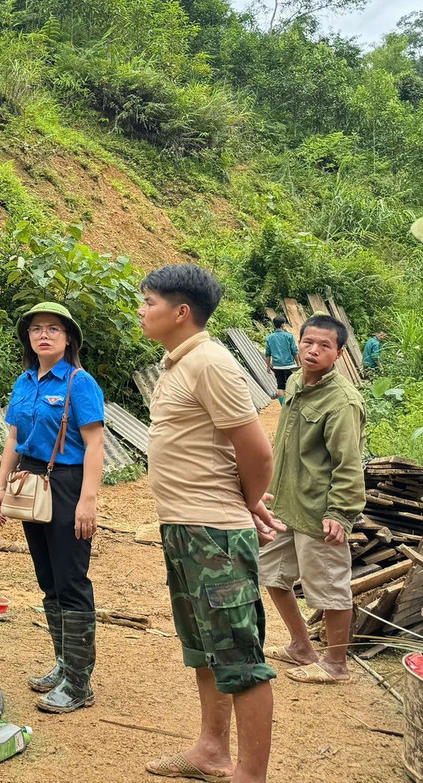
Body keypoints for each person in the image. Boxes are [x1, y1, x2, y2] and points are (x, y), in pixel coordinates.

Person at [138, 264, 283, 783]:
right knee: (204, 649)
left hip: (213, 533)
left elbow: (257, 451)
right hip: (184, 528)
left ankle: (250, 774)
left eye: (149, 302)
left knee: (239, 657)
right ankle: (211, 751)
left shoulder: (211, 362)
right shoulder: (177, 364)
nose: (141, 310)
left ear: (181, 312)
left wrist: (248, 503)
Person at [0, 302, 107, 713]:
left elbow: (95, 443)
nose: (44, 335)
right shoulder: (23, 383)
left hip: (67, 483)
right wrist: (0, 487)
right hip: (29, 481)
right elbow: (12, 439)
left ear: (68, 337)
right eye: (37, 329)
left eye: (53, 329)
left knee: (72, 579)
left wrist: (87, 500)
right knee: (48, 578)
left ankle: (79, 684)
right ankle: (63, 664)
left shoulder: (80, 383)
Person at [260, 314, 366, 684]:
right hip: (284, 503)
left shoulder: (342, 402)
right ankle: (301, 646)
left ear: (338, 354)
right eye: (308, 342)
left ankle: (336, 664)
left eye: (324, 346)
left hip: (319, 510)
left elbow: (349, 463)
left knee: (330, 588)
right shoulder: (293, 383)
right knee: (272, 574)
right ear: (298, 343)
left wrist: (340, 512)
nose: (313, 350)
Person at [263, 317, 298, 404]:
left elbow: (267, 354)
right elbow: (294, 351)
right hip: (290, 366)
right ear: (283, 325)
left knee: (280, 386)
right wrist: (298, 363)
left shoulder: (270, 338)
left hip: (277, 366)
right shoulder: (289, 336)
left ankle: (284, 406)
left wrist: (268, 366)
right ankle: (292, 405)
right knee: (292, 385)